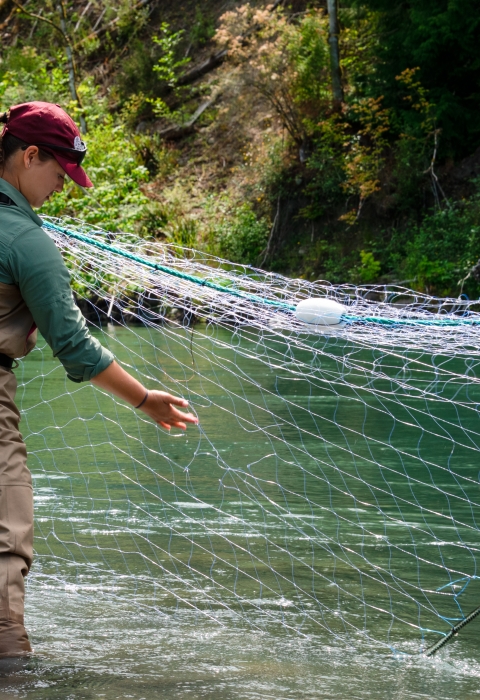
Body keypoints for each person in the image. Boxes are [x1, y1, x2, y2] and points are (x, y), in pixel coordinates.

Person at [0, 101, 198, 657]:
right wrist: (145, 400)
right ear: (30, 155)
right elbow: (76, 348)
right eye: (60, 175)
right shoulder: (25, 240)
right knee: (4, 547)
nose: (62, 188)